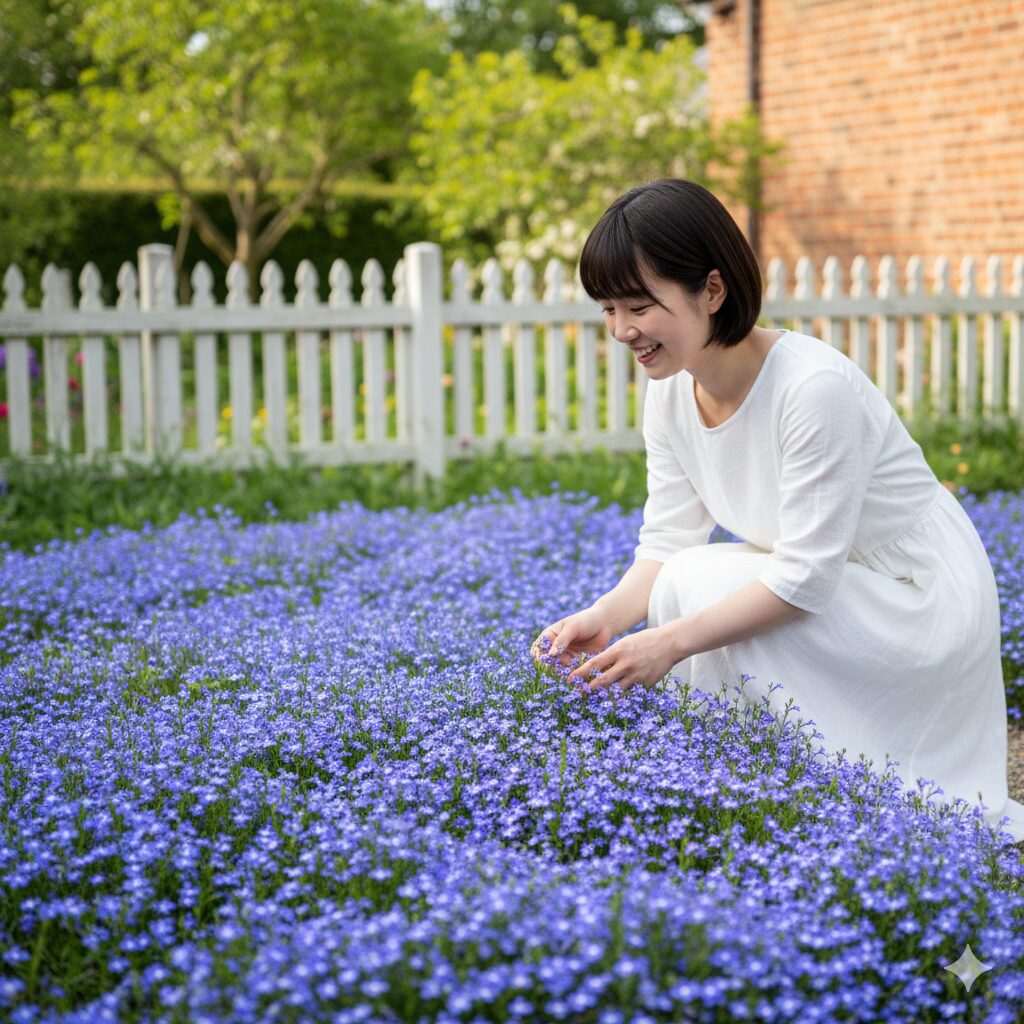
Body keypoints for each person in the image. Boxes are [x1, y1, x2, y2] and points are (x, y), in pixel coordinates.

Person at [530, 178, 1024, 843]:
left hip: (918, 596)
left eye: (639, 306)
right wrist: (603, 619)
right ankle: (732, 781)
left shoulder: (812, 388)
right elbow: (667, 543)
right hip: (840, 586)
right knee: (685, 575)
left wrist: (668, 644)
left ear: (711, 289)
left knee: (696, 589)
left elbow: (804, 579)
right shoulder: (672, 393)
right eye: (608, 309)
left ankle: (783, 786)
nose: (622, 330)